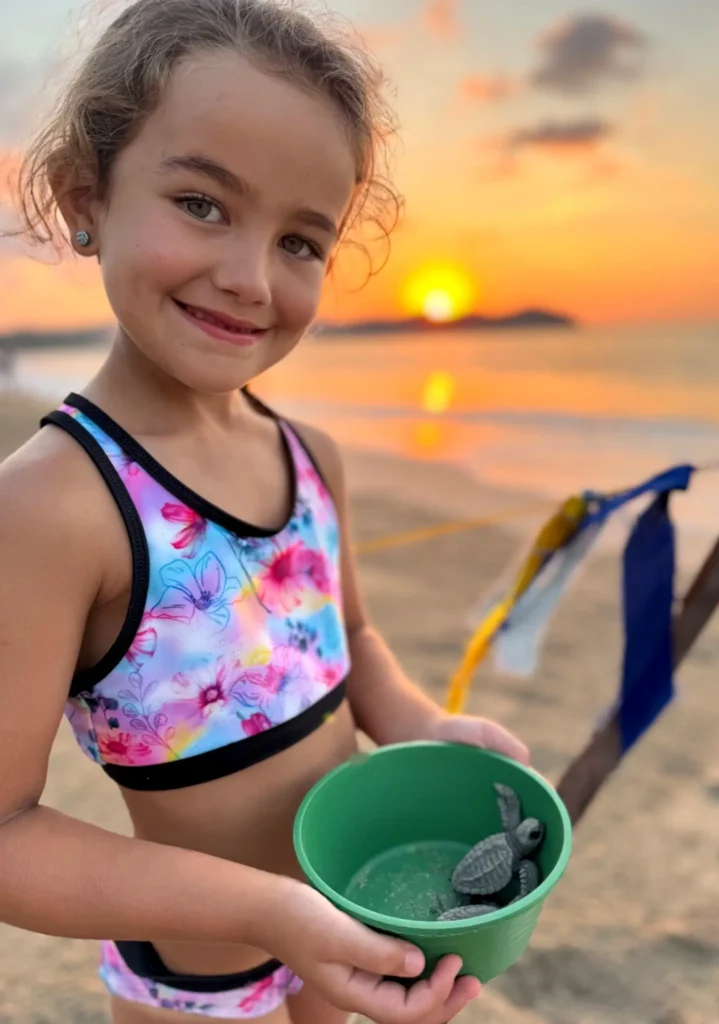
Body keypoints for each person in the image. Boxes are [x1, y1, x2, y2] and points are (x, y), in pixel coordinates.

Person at [0, 1, 530, 1021]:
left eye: (299, 240)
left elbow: (351, 642)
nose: (249, 279)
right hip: (199, 977)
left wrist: (422, 726)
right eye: (202, 203)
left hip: (348, 920)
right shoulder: (52, 505)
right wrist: (267, 910)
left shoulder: (311, 458)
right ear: (84, 196)